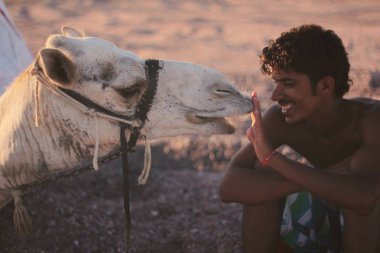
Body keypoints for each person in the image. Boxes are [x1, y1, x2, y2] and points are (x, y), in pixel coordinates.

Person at [219, 24, 380, 253]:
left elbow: (364, 198)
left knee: (359, 183)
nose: (275, 96)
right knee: (259, 172)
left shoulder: (371, 120)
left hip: (368, 229)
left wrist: (274, 159)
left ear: (326, 85)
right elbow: (230, 187)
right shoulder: (280, 119)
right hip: (317, 220)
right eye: (276, 83)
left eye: (289, 83)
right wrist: (323, 180)